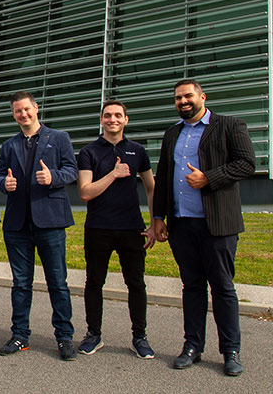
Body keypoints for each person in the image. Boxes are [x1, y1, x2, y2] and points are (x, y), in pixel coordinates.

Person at [152, 79, 255, 376]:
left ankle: (230, 351)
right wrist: (158, 217)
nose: (183, 101)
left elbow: (247, 163)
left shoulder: (229, 125)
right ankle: (192, 346)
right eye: (177, 98)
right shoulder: (172, 133)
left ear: (202, 97)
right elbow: (163, 176)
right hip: (182, 225)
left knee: (222, 288)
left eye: (188, 96)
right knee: (192, 287)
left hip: (218, 224)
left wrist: (209, 177)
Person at [0, 91, 78, 360]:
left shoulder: (59, 138)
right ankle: (20, 335)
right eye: (18, 111)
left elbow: (72, 171)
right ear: (14, 114)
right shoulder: (9, 145)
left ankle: (64, 337)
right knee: (21, 284)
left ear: (36, 108)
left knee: (57, 282)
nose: (23, 114)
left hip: (50, 222)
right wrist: (3, 185)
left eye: (27, 109)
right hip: (18, 225)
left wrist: (53, 176)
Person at [76, 100, 157, 359]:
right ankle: (94, 334)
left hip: (131, 228)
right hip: (98, 228)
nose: (113, 119)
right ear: (101, 120)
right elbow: (85, 192)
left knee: (135, 283)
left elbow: (151, 187)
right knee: (94, 283)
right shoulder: (89, 152)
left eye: (118, 115)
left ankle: (139, 337)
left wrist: (155, 223)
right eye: (108, 115)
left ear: (126, 120)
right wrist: (113, 174)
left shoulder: (137, 151)